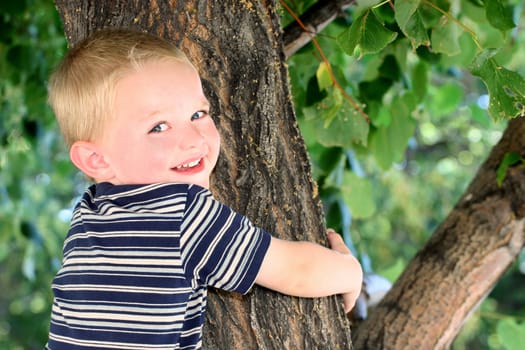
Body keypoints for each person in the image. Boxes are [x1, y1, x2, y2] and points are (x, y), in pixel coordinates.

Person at [45, 28, 363, 350]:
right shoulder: (182, 213)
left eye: (198, 114)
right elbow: (296, 269)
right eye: (158, 127)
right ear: (96, 159)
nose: (194, 139)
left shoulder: (87, 218)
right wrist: (348, 272)